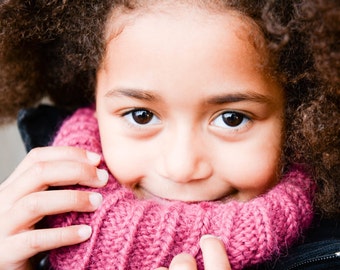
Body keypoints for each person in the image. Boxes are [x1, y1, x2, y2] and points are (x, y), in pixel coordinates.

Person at [0, 0, 338, 269]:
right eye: (142, 115)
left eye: (232, 118)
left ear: (301, 114)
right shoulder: (36, 231)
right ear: (93, 96)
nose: (181, 167)